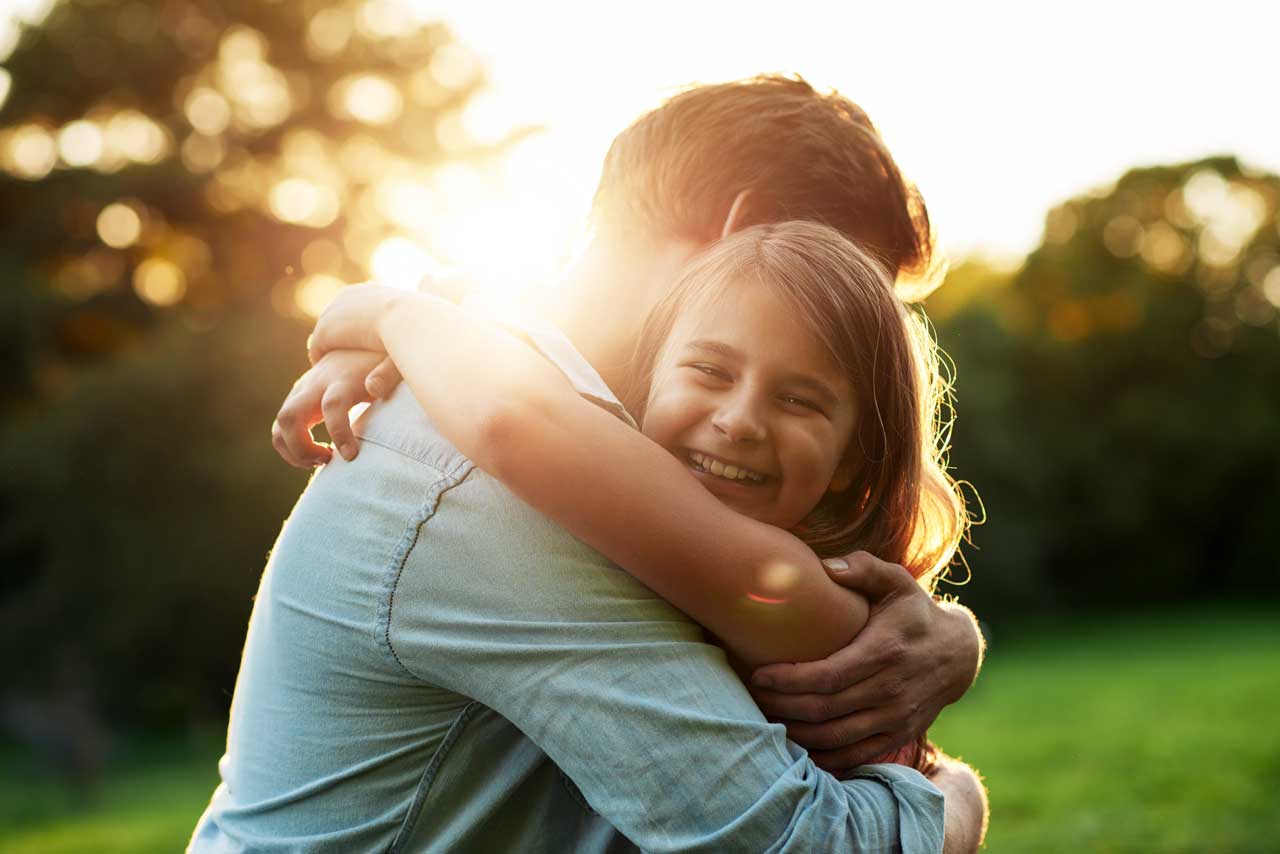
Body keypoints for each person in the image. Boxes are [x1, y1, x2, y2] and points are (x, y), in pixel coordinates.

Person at [193, 76, 987, 852]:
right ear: (746, 232)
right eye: (834, 280)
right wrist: (957, 799)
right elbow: (801, 838)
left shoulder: (612, 441)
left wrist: (948, 637)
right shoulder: (501, 479)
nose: (851, 334)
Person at [306, 220, 966, 776]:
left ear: (853, 463)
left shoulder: (797, 589)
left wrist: (395, 315)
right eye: (709, 371)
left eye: (798, 400)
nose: (739, 420)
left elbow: (512, 420)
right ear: (648, 379)